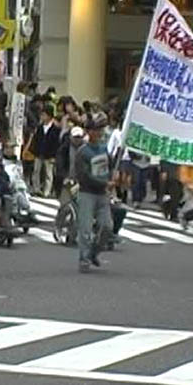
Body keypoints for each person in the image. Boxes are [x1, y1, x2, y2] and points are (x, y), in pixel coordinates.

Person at [74, 113, 114, 273]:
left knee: (107, 226)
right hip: (87, 193)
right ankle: (84, 258)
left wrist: (113, 176)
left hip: (103, 193)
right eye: (95, 130)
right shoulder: (82, 152)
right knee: (85, 228)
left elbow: (110, 165)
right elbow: (84, 177)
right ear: (88, 132)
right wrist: (105, 182)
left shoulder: (104, 148)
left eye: (100, 129)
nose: (98, 133)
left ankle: (94, 252)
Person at [31, 104, 60, 198]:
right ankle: (36, 189)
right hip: (39, 152)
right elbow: (36, 140)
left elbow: (56, 143)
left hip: (49, 154)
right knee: (36, 171)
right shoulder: (40, 127)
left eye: (44, 115)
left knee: (48, 173)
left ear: (49, 115)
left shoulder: (55, 129)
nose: (42, 117)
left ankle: (47, 191)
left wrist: (54, 155)